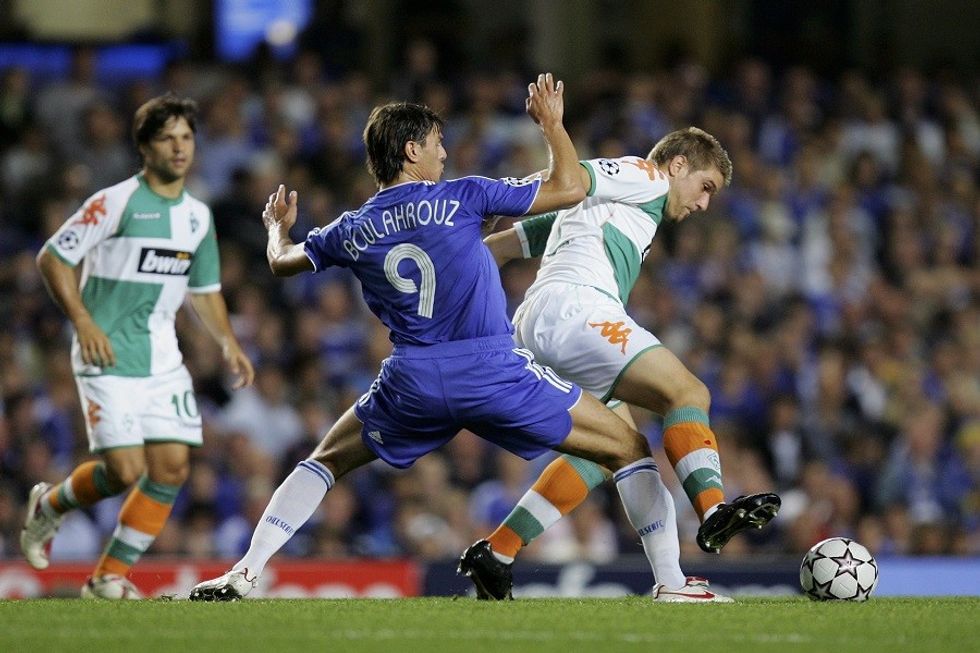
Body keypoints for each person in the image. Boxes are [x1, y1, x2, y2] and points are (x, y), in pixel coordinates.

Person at [189, 74, 687, 602]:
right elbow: (570, 188)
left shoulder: (351, 228)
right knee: (628, 446)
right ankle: (672, 584)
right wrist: (552, 125)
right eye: (436, 143)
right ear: (412, 151)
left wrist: (276, 226)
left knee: (327, 459)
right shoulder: (463, 194)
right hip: (493, 369)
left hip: (414, 379)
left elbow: (281, 261)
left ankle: (246, 571)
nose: (444, 153)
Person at [457, 128, 781, 601]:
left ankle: (499, 552)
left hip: (536, 323)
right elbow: (574, 176)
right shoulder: (645, 176)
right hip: (577, 310)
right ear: (677, 166)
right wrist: (553, 128)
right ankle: (714, 511)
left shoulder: (602, 210)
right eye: (705, 187)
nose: (703, 204)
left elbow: (499, 247)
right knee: (688, 393)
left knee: (619, 449)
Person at [20, 94, 255, 599]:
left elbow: (204, 290)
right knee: (124, 470)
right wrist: (83, 321)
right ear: (145, 147)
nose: (179, 147)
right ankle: (50, 505)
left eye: (186, 137)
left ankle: (107, 577)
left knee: (171, 468)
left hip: (162, 357)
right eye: (167, 138)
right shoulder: (115, 202)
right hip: (106, 352)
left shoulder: (197, 216)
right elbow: (53, 258)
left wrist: (228, 343)